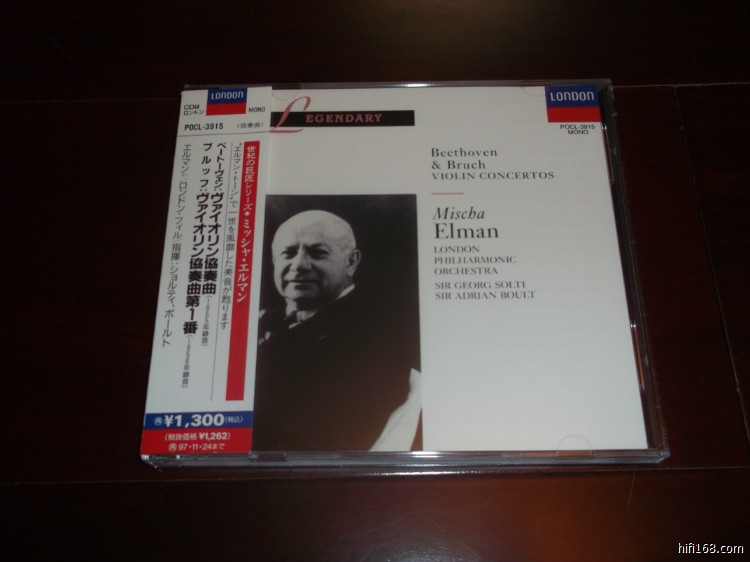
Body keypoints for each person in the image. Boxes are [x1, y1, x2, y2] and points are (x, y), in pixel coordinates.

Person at [252, 210, 421, 452]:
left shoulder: (371, 339)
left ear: (351, 262)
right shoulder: (268, 321)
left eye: (317, 253)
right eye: (288, 253)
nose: (298, 265)